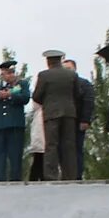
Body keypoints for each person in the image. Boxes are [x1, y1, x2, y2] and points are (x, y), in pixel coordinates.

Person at [31, 51, 81, 181]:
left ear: (48, 62)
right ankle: (70, 175)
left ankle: (51, 176)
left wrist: (48, 103)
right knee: (69, 144)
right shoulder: (72, 75)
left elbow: (36, 96)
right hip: (69, 113)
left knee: (51, 145)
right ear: (60, 60)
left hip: (51, 114)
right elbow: (78, 93)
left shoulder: (44, 75)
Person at [0, 61, 31, 183]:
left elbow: (26, 98)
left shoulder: (21, 85)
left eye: (12, 73)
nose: (10, 76)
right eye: (6, 73)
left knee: (15, 155)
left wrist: (10, 95)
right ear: (2, 74)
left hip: (15, 125)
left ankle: (15, 180)